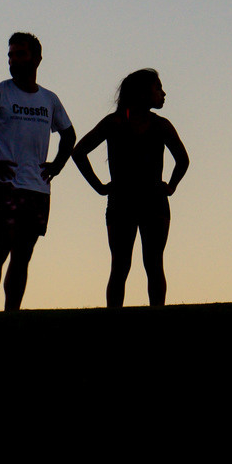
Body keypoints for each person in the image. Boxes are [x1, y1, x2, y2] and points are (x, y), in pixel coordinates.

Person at [0, 31, 75, 312]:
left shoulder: (49, 99)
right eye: (10, 55)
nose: (13, 60)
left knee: (23, 254)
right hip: (6, 184)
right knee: (0, 248)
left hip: (37, 187)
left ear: (37, 58)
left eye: (20, 54)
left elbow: (69, 135)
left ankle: (12, 315)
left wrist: (57, 165)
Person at [73, 68, 189, 308]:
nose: (163, 93)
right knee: (138, 264)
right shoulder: (120, 123)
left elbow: (183, 160)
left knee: (134, 265)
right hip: (133, 202)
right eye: (158, 88)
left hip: (135, 202)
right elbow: (79, 152)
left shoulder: (132, 124)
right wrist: (99, 186)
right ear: (144, 93)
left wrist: (171, 186)